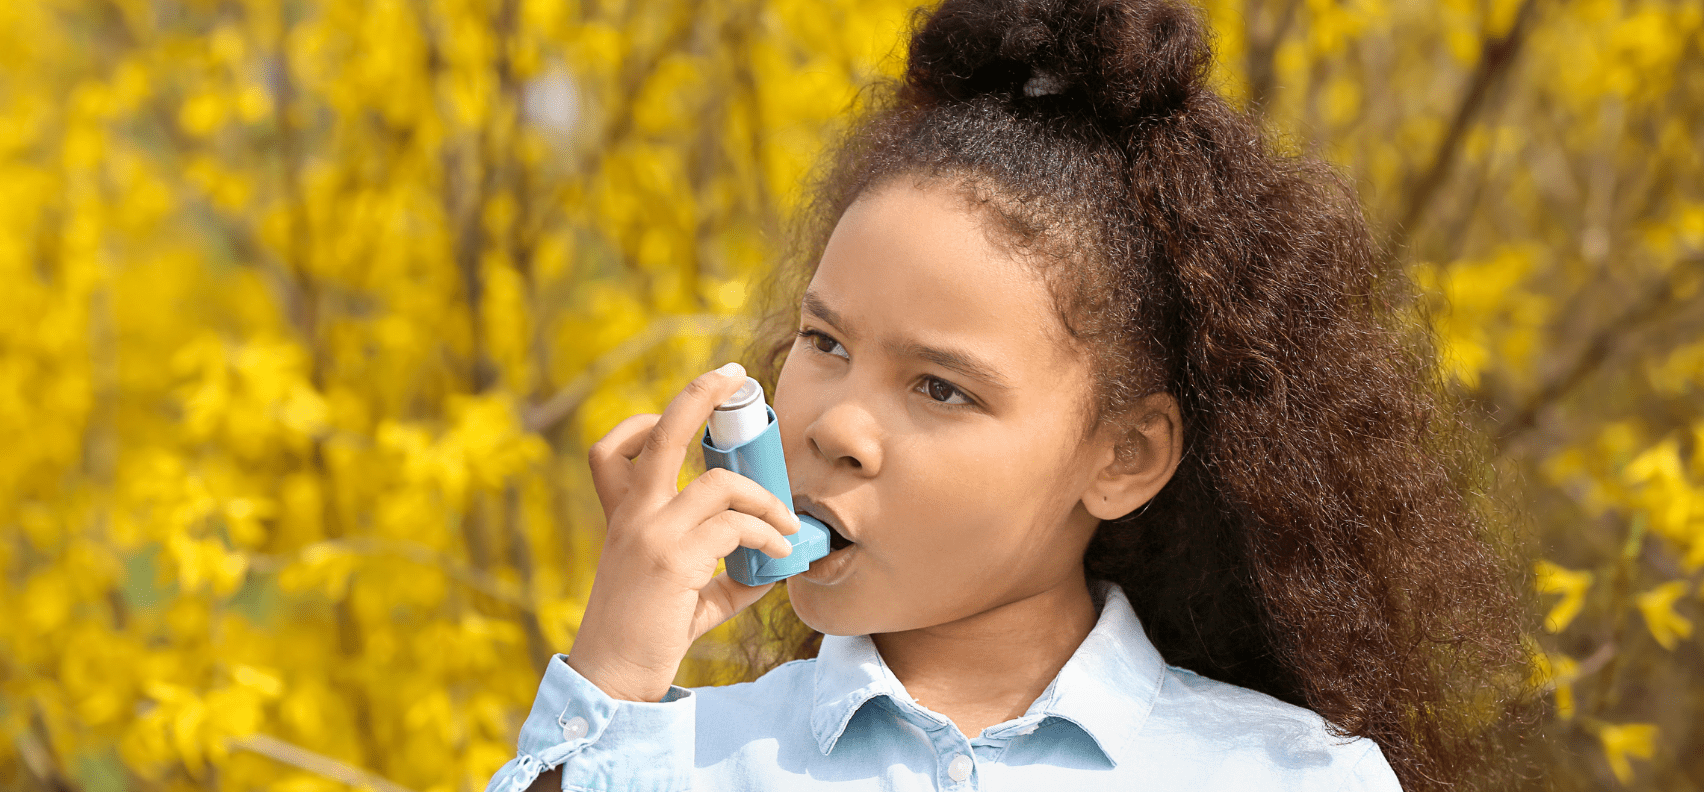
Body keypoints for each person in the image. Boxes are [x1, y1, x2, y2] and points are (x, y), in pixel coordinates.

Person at [485, 0, 1539, 789]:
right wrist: (614, 677)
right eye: (824, 341)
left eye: (941, 388)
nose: (837, 426)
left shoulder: (1286, 776)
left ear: (1122, 458)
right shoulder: (670, 759)